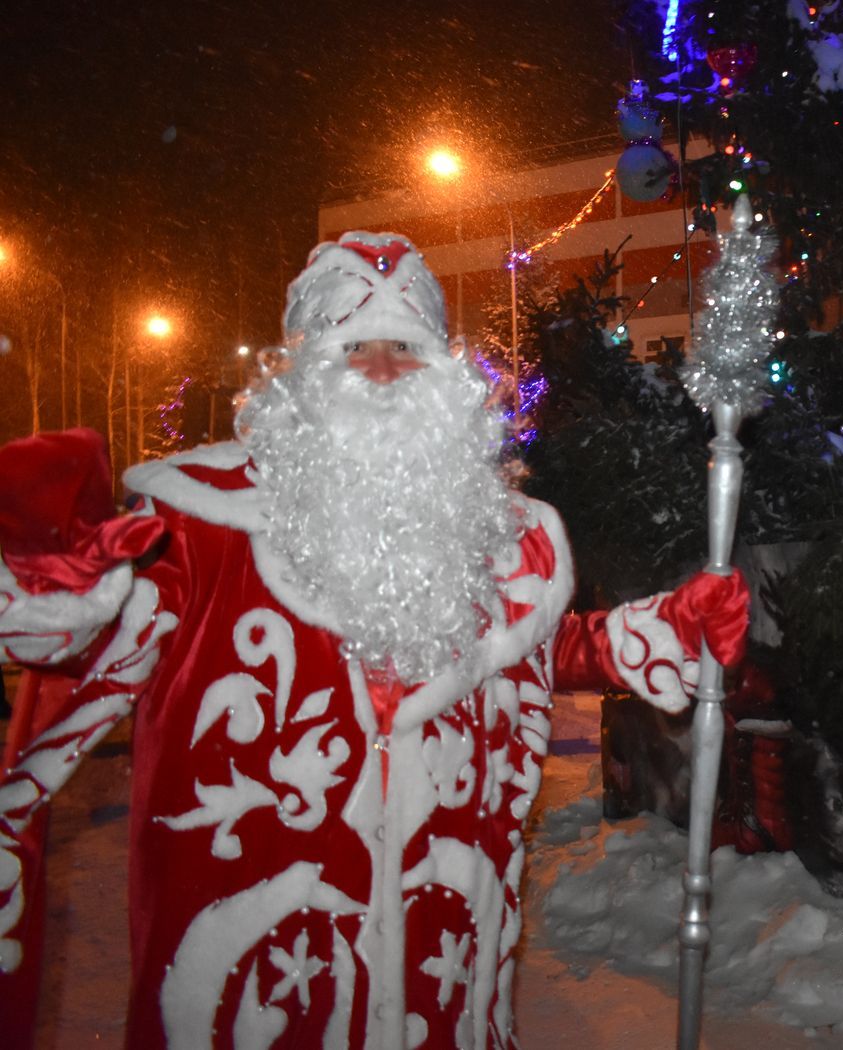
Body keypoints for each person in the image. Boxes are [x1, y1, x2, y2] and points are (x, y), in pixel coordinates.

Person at [0, 232, 749, 1049]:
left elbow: (536, 648)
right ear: (305, 373)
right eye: (355, 346)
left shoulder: (498, 534)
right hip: (260, 969)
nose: (385, 369)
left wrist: (659, 629)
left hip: (440, 955)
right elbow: (87, 643)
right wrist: (60, 581)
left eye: (408, 348)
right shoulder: (196, 523)